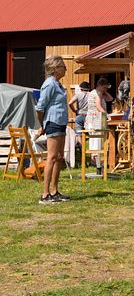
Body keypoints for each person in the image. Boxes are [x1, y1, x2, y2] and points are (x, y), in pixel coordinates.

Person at [35, 55, 70, 204]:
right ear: (55, 68)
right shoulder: (49, 84)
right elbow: (40, 107)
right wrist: (42, 124)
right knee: (52, 157)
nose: (65, 69)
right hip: (53, 122)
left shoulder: (58, 84)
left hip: (60, 122)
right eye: (63, 66)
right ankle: (45, 194)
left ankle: (54, 191)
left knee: (59, 157)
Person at [84, 77, 113, 175]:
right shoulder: (97, 93)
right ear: (100, 86)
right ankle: (98, 166)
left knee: (96, 143)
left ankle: (99, 166)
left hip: (93, 120)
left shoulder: (96, 93)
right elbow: (98, 106)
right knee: (98, 143)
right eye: (105, 87)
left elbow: (110, 99)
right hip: (96, 120)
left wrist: (104, 92)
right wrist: (106, 114)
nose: (105, 90)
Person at [68, 81, 90, 145]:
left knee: (78, 134)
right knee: (91, 133)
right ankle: (91, 150)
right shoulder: (91, 94)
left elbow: (70, 103)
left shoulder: (78, 95)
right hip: (89, 116)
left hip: (80, 115)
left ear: (81, 88)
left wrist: (74, 110)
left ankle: (82, 149)